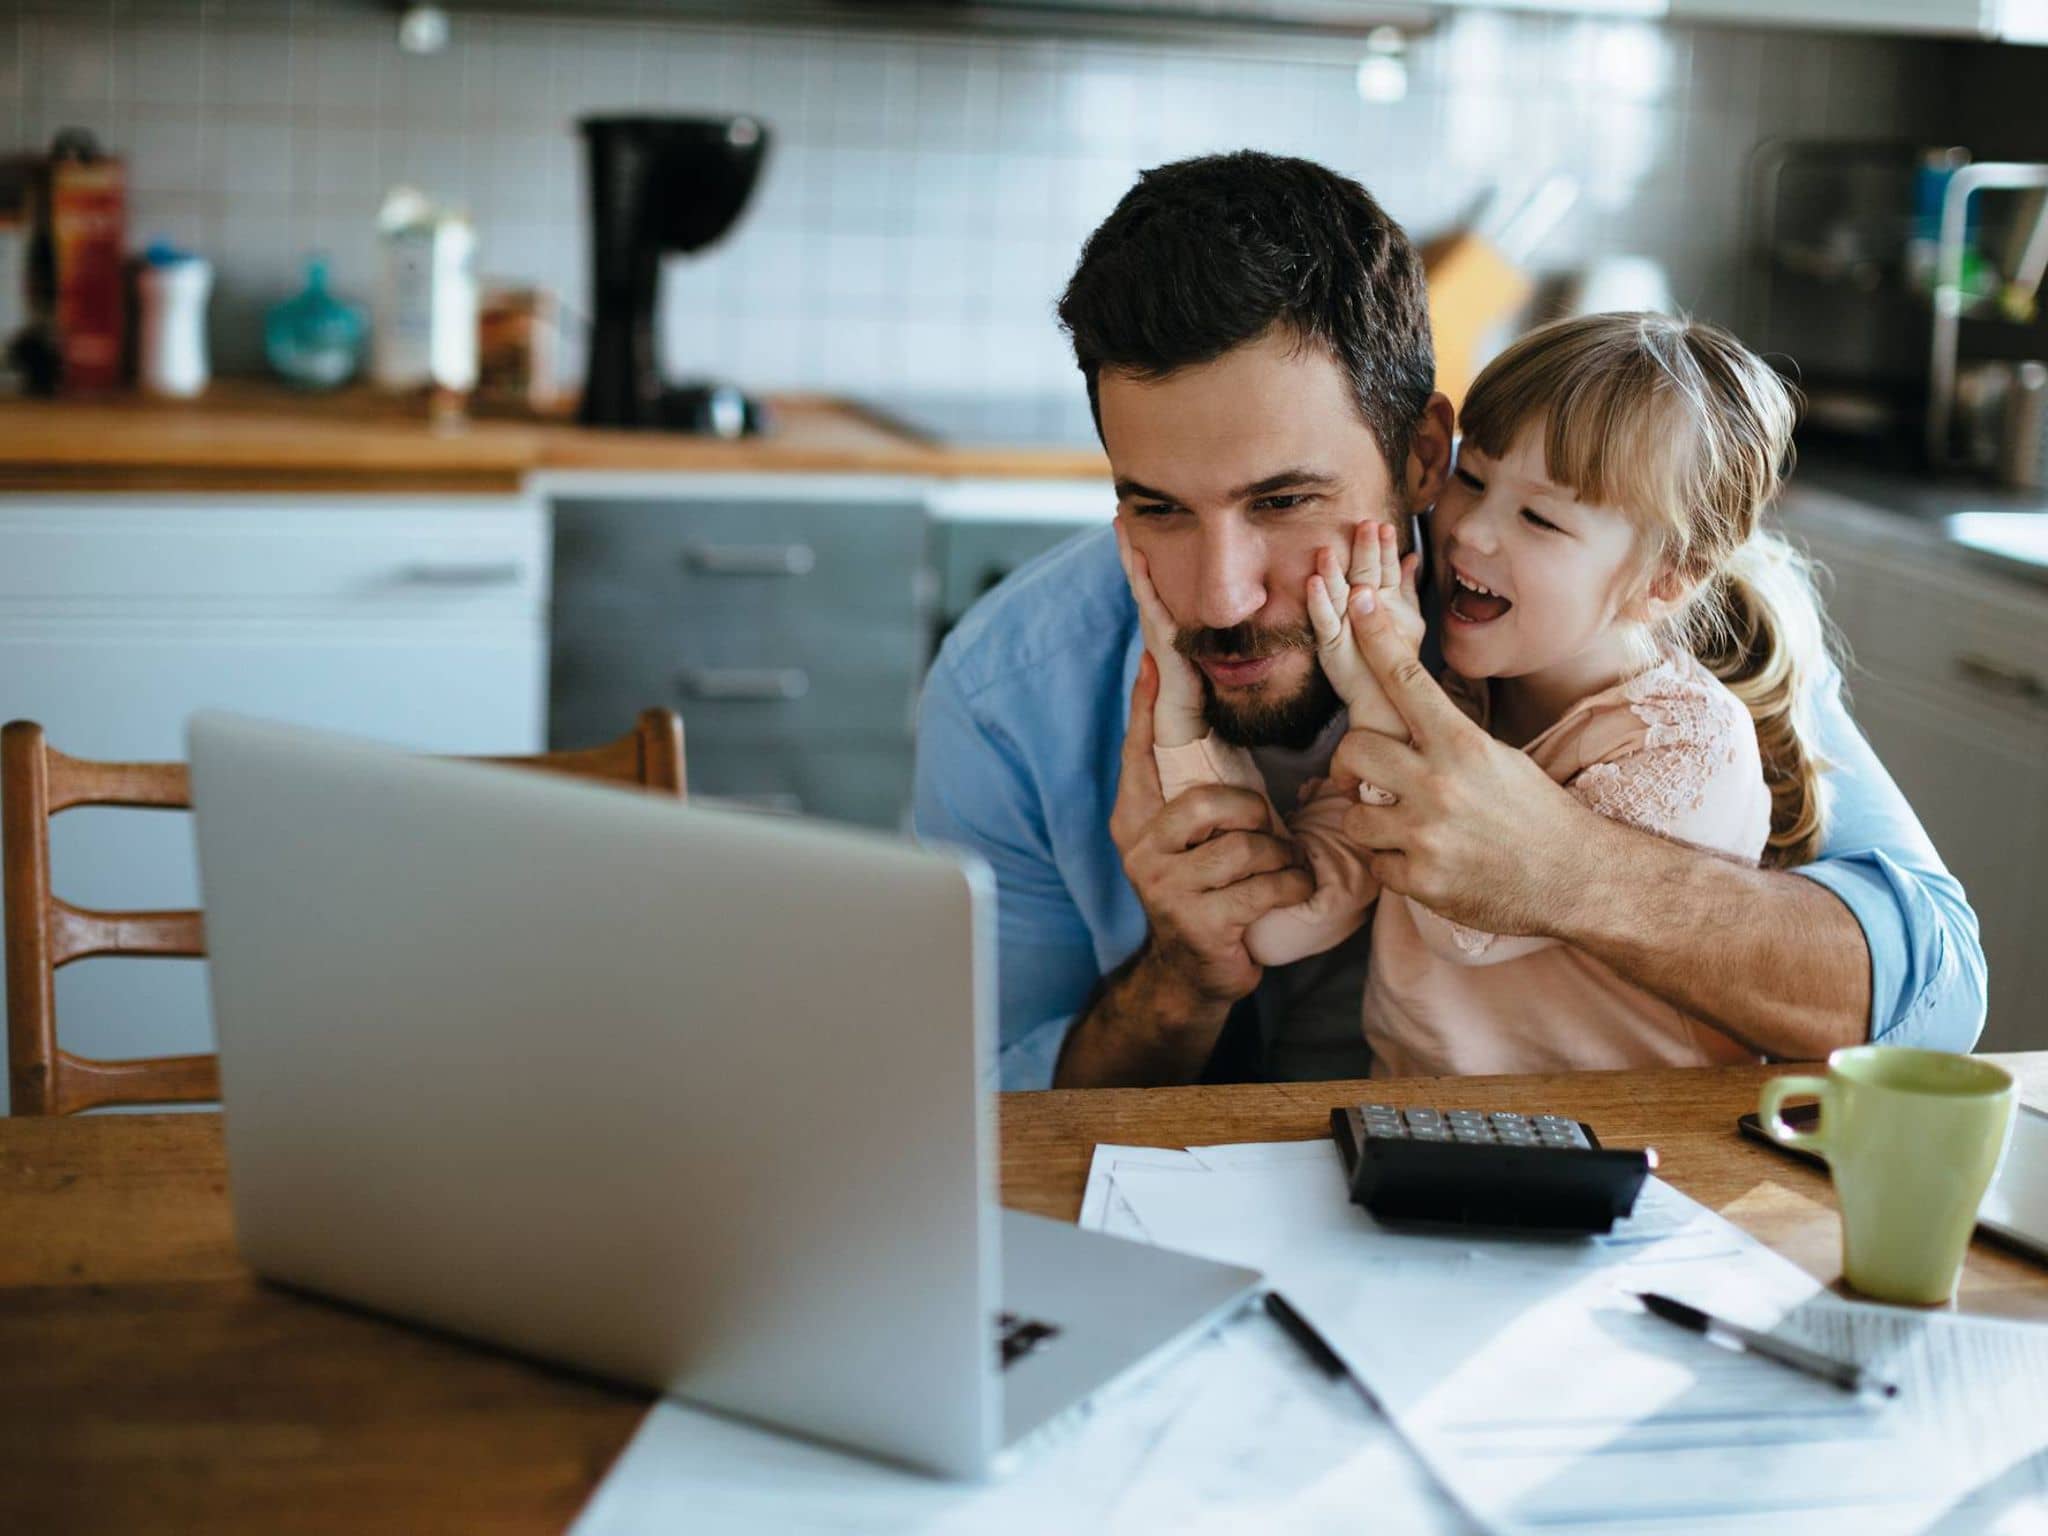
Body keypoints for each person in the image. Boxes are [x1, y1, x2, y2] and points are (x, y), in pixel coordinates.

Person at [911, 150, 1986, 1091]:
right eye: (1157, 508)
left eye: (1284, 502)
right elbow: (982, 1117)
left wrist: (1571, 870)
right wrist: (1182, 976)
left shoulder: (1621, 611)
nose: (1221, 597)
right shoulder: (1013, 691)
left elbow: (1933, 996)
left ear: (1426, 456)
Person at [1129, 310, 1835, 1074]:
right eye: (1472, 479)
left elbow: (1465, 924)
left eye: (1539, 517)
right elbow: (1279, 927)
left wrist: (1378, 693)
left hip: (1631, 1136)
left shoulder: (1687, 744)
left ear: (1664, 582)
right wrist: (1182, 720)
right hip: (1424, 1126)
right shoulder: (1461, 697)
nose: (1471, 531)